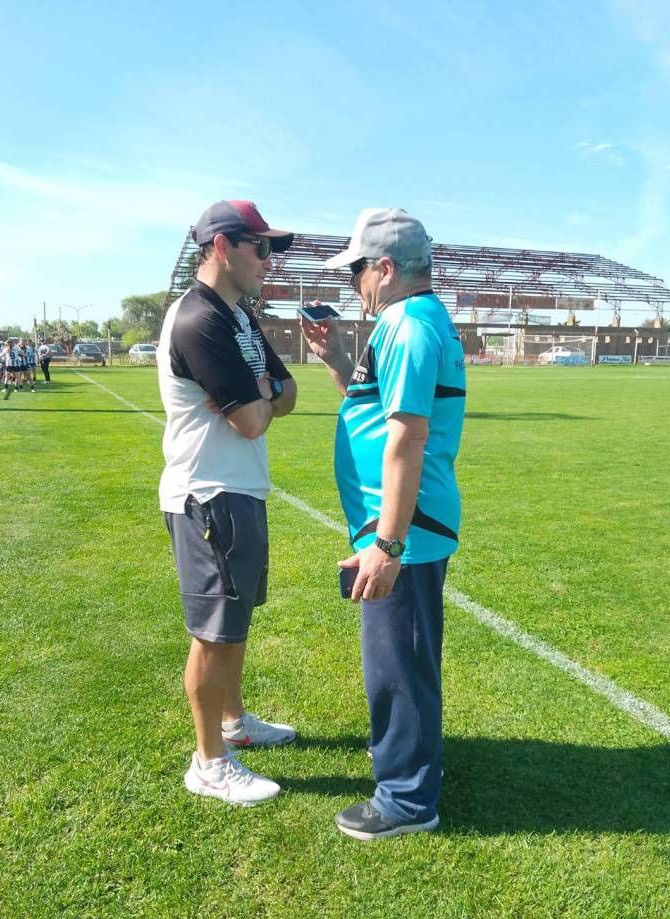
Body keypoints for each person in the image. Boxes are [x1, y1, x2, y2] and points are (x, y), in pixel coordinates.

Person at [300, 209, 466, 840]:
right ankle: (414, 765)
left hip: (406, 527)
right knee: (404, 653)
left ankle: (407, 798)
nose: (354, 285)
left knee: (399, 659)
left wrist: (386, 546)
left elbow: (406, 439)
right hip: (399, 524)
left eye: (358, 271)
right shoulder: (408, 323)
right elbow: (376, 409)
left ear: (386, 268)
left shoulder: (409, 325)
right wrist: (339, 358)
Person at [157, 199, 298, 807]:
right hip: (207, 493)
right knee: (214, 632)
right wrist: (257, 398)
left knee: (234, 620)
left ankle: (233, 722)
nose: (270, 261)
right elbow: (251, 421)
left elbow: (283, 394)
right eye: (261, 247)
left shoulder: (238, 316)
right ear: (222, 247)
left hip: (238, 488)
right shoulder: (198, 320)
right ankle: (209, 762)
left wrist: (258, 393)